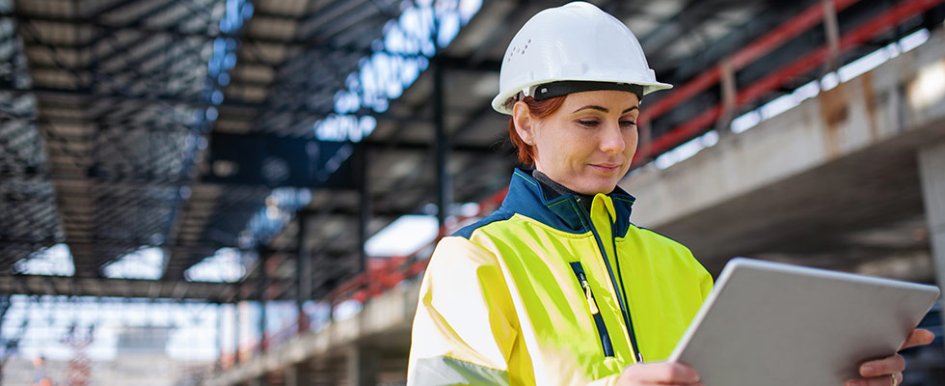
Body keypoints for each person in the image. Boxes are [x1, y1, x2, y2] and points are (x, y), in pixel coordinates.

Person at [405, 2, 933, 385]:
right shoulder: (477, 260)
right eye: (589, 120)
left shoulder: (678, 265)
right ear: (525, 122)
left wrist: (833, 378)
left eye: (628, 120)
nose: (615, 144)